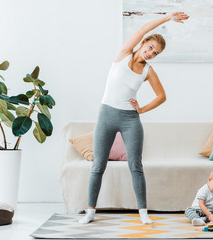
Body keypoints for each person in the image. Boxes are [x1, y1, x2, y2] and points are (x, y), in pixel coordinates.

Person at [79, 12, 189, 225]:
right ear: (143, 43)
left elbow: (162, 96)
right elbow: (141, 29)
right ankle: (90, 211)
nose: (150, 53)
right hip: (106, 115)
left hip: (130, 120)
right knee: (98, 165)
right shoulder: (124, 54)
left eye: (155, 53)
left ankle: (143, 213)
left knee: (135, 166)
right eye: (149, 48)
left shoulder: (148, 71)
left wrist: (142, 110)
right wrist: (167, 18)